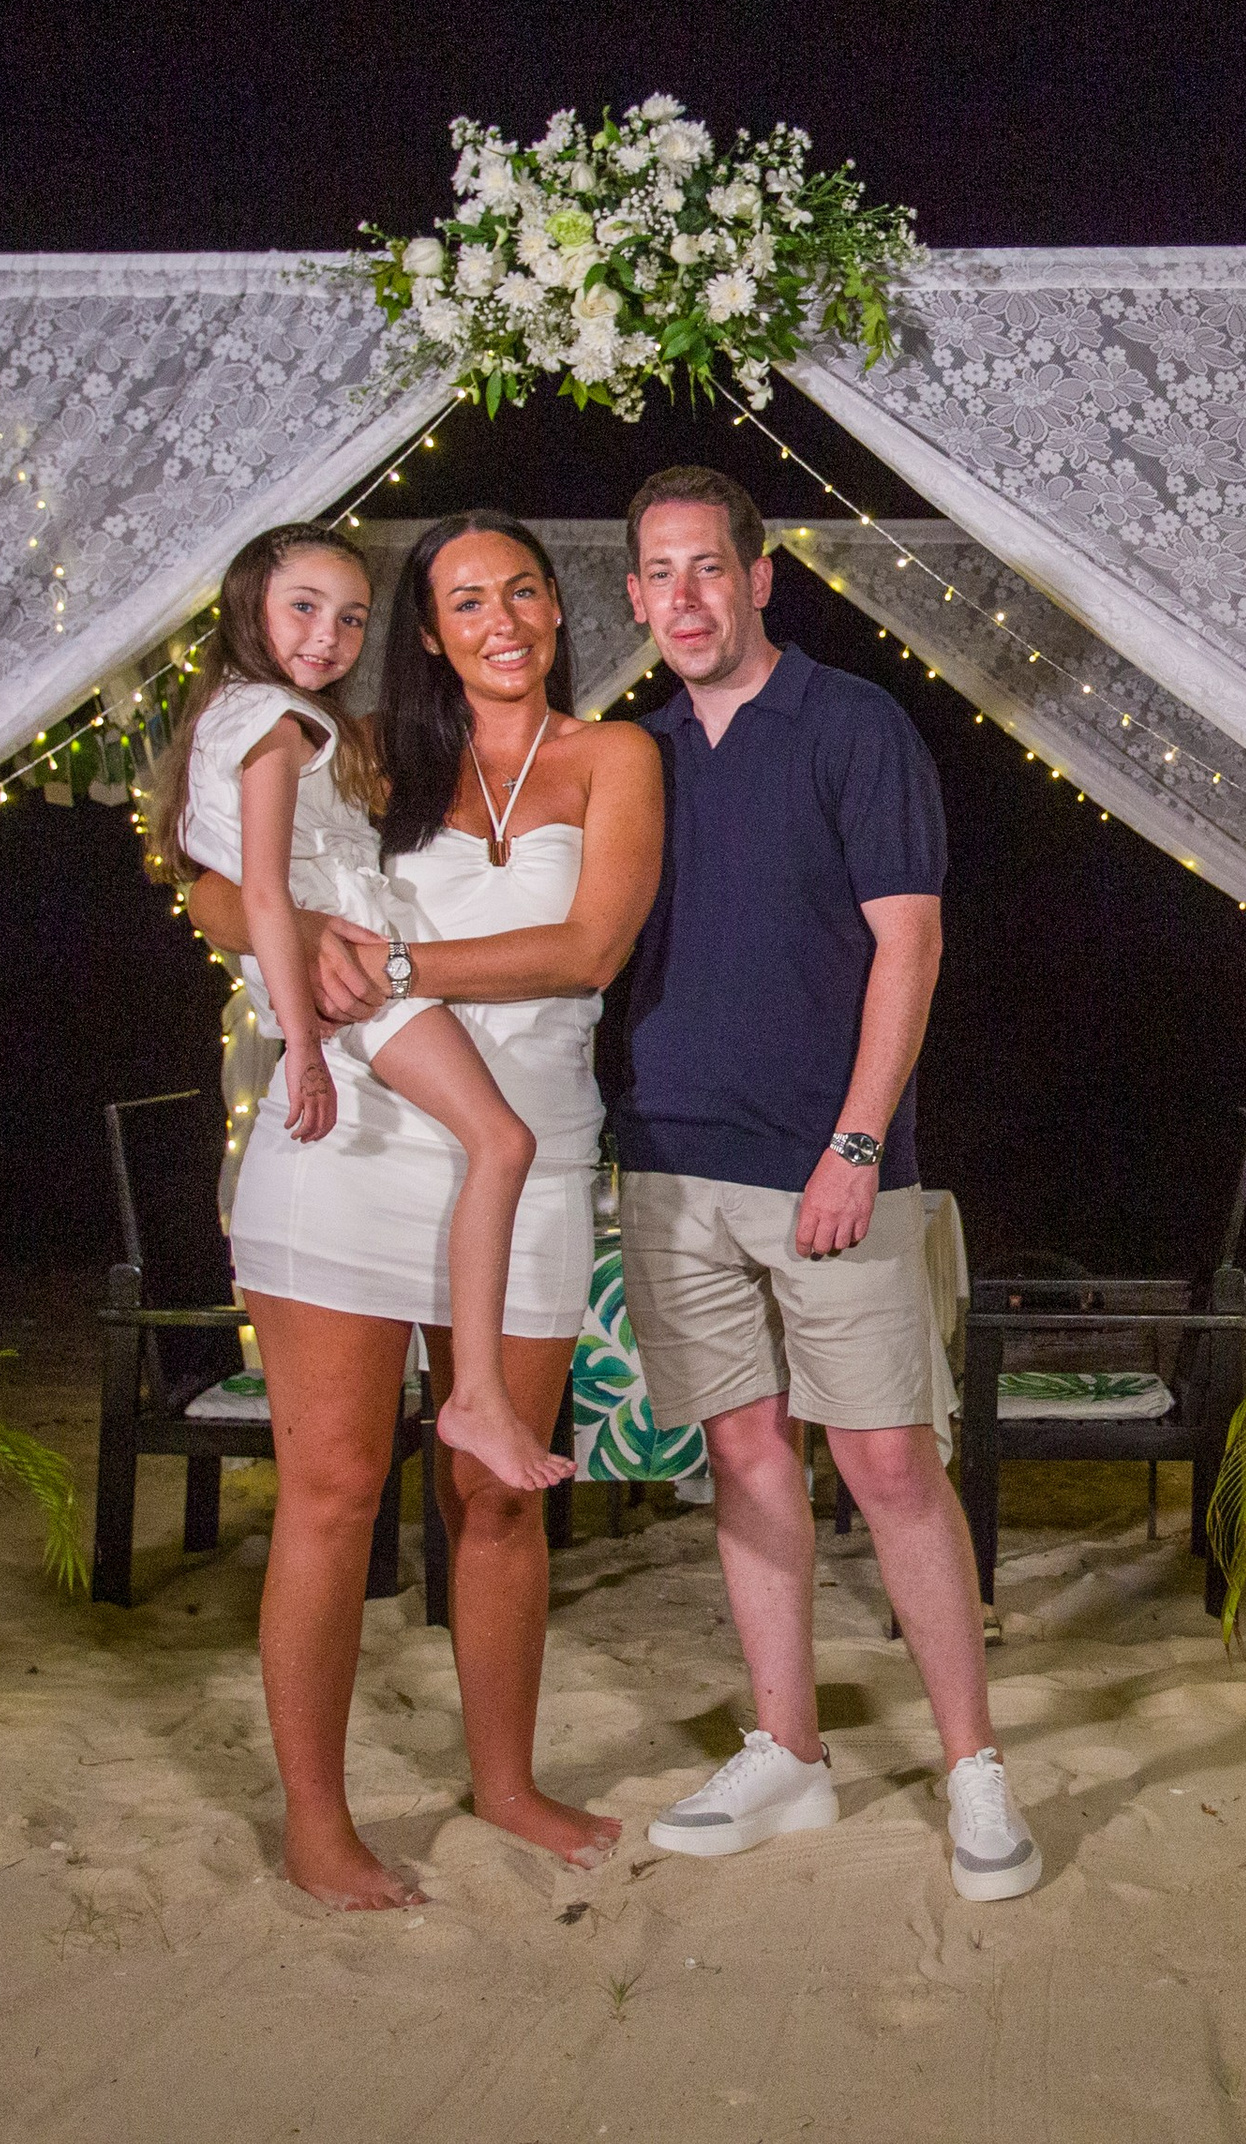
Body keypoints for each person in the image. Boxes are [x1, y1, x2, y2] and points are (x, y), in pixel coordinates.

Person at [186, 512, 663, 1909]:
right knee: (334, 1492)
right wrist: (309, 944)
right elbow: (220, 883)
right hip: (353, 1140)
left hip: (529, 1152)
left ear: (561, 613)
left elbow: (591, 945)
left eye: (521, 591)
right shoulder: (377, 753)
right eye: (464, 601)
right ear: (433, 630)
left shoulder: (616, 758)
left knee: (495, 1499)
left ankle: (505, 1782)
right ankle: (318, 1823)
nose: (499, 619)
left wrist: (386, 956)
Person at [613, 464, 1040, 1900]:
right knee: (741, 1460)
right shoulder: (637, 754)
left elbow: (907, 947)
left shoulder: (853, 725)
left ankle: (977, 1769)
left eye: (707, 569)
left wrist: (858, 1142)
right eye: (658, 575)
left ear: (759, 576)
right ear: (633, 597)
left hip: (831, 1171)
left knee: (885, 1463)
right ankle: (788, 1752)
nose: (684, 597)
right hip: (673, 1167)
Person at [156, 522, 570, 1494]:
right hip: (364, 1012)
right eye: (304, 607)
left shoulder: (271, 718)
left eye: (349, 618)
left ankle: (471, 1396)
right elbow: (235, 890)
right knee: (503, 1143)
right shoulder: (292, 722)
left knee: (501, 1144)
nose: (328, 635)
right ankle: (473, 1397)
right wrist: (300, 1013)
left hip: (385, 1014)